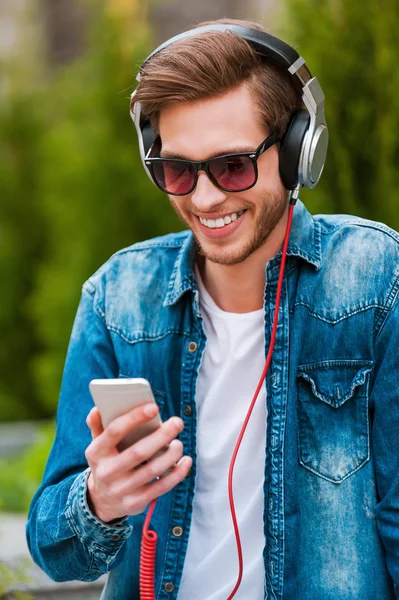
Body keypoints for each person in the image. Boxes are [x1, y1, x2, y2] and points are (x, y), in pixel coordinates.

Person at [26, 17, 399, 600]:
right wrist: (99, 501)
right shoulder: (118, 295)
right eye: (176, 170)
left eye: (232, 166)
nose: (204, 198)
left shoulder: (377, 279)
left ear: (300, 150)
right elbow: (52, 549)